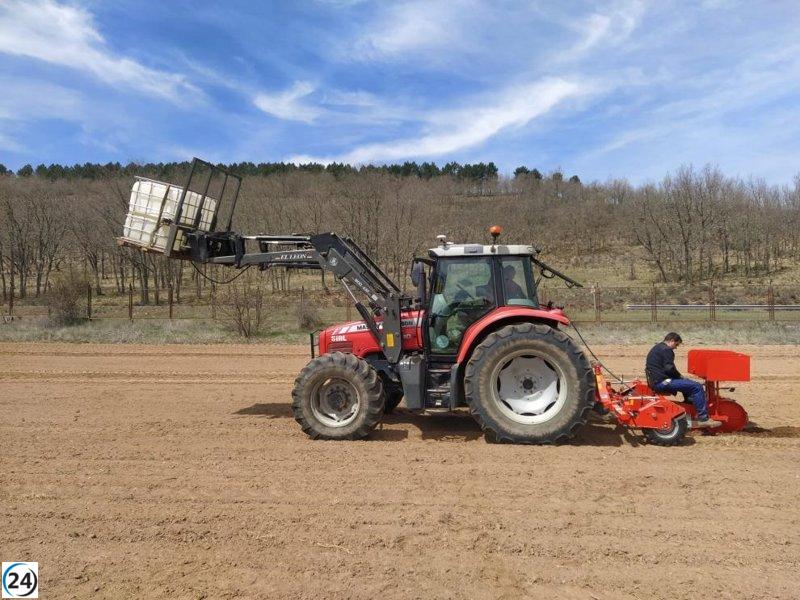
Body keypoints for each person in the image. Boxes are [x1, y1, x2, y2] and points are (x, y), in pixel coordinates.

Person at [645, 332, 721, 428]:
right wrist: (680, 377)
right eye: (676, 344)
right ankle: (704, 418)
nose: (676, 347)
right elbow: (669, 369)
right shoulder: (667, 350)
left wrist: (681, 378)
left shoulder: (658, 347)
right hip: (662, 383)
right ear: (671, 340)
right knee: (697, 387)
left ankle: (690, 412)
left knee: (688, 384)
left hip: (656, 381)